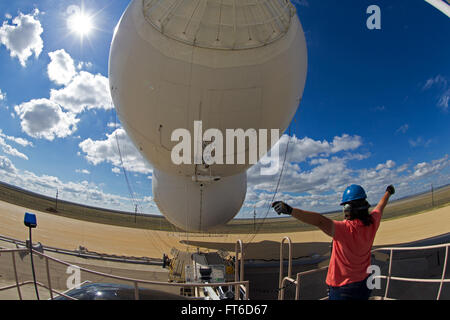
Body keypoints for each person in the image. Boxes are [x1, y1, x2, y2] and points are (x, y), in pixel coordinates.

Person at [272, 184, 395, 300]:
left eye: (345, 207)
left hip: (343, 289)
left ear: (349, 209)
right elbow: (380, 206)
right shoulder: (373, 222)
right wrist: (388, 192)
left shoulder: (345, 229)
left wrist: (290, 210)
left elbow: (319, 221)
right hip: (364, 283)